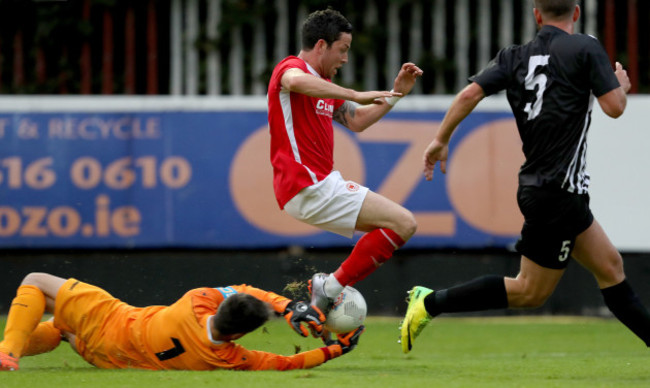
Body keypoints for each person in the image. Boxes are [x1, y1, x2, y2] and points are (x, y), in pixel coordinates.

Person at [400, 0, 650, 353]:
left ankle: (430, 303)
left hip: (548, 189)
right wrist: (619, 85)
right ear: (576, 12)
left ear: (537, 14)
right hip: (557, 192)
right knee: (529, 291)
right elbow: (615, 108)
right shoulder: (586, 47)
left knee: (610, 267)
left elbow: (470, 92)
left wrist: (441, 139)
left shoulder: (513, 56)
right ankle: (429, 303)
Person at [267, 8, 422, 314]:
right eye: (343, 50)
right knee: (403, 222)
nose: (345, 59)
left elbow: (358, 121)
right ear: (322, 45)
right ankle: (329, 289)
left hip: (317, 185)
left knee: (399, 226)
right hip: (306, 185)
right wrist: (354, 92)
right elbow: (294, 81)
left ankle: (323, 303)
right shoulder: (291, 68)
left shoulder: (323, 86)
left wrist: (395, 95)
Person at [0, 272, 364, 371]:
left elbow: (241, 288)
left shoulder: (196, 301)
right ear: (239, 334)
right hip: (111, 358)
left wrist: (287, 306)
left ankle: (8, 353)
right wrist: (336, 348)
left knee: (35, 281)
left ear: (220, 308)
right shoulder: (228, 358)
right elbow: (289, 363)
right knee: (60, 329)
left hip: (111, 320)